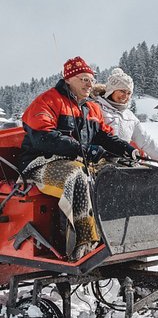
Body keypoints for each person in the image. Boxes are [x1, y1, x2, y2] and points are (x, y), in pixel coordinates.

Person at [19, 56, 139, 260]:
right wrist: (82, 149)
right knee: (77, 176)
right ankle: (84, 241)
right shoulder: (47, 101)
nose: (89, 83)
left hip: (79, 159)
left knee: (116, 173)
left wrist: (127, 150)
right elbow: (43, 137)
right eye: (83, 79)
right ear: (68, 80)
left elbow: (104, 135)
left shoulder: (91, 107)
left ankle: (117, 234)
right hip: (41, 162)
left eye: (91, 79)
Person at [93, 68, 158, 164]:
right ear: (111, 90)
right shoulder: (96, 108)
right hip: (99, 164)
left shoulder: (129, 116)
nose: (125, 96)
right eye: (122, 91)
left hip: (124, 163)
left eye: (129, 93)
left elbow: (147, 142)